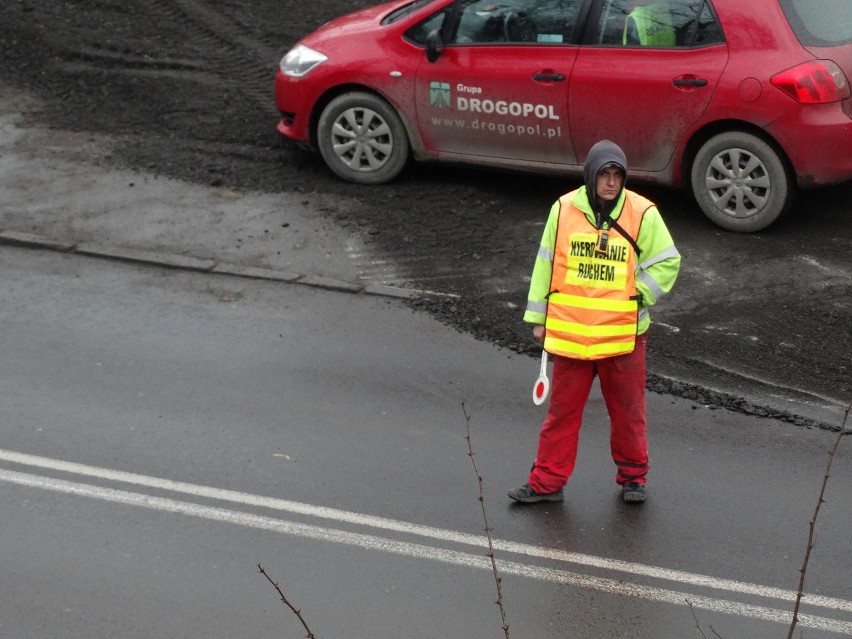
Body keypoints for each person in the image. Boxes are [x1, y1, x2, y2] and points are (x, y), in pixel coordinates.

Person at [508, 139, 681, 505]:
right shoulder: (564, 209)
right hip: (572, 335)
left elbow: (668, 261)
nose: (612, 182)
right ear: (591, 175)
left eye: (618, 175)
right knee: (562, 415)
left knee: (629, 413)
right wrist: (538, 319)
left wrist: (637, 295)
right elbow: (546, 263)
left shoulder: (643, 213)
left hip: (622, 336)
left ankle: (634, 478)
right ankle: (546, 482)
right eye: (605, 174)